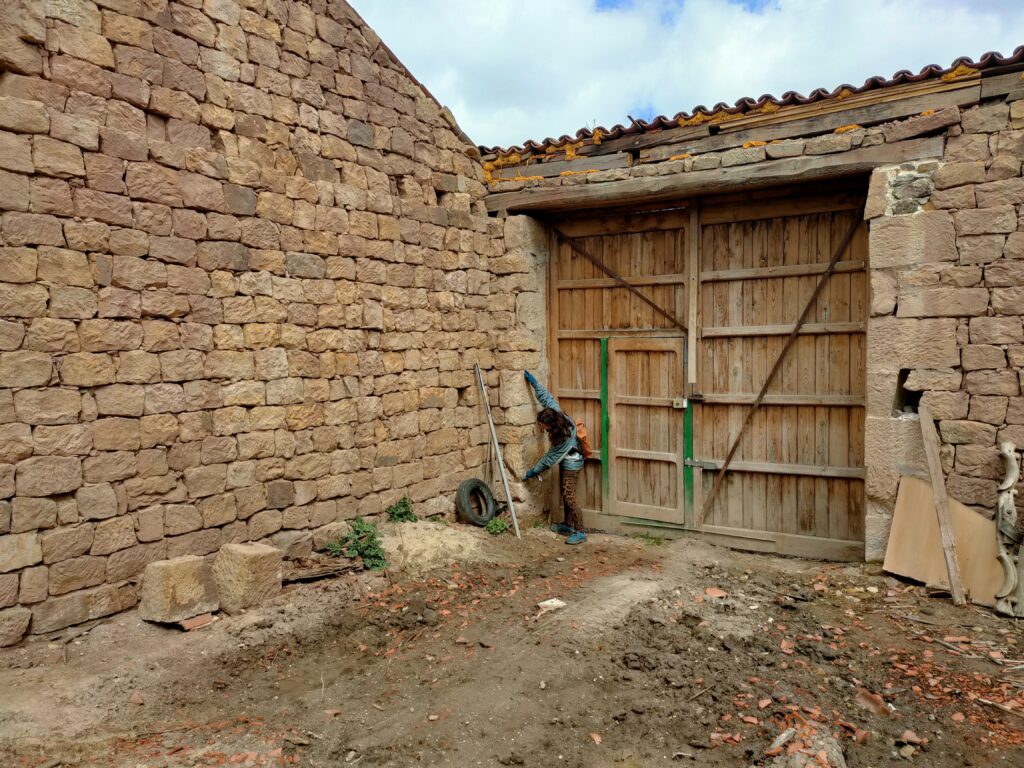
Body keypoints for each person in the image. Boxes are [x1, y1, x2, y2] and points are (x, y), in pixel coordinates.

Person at [522, 370, 586, 545]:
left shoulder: (563, 438)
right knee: (565, 494)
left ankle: (580, 531)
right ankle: (567, 525)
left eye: (542, 425)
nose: (541, 427)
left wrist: (532, 472)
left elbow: (548, 460)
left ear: (550, 425)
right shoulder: (556, 413)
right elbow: (546, 396)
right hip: (568, 460)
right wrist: (534, 383)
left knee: (569, 496)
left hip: (573, 462)